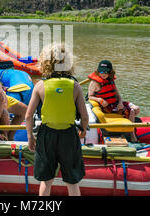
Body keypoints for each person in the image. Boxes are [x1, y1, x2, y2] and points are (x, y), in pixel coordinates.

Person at [25, 43, 88, 196]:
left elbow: (28, 116)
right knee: (72, 181)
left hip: (46, 135)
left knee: (46, 181)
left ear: (45, 63)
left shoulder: (40, 85)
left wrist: (30, 138)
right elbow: (84, 116)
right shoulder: (74, 85)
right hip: (68, 135)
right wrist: (83, 130)